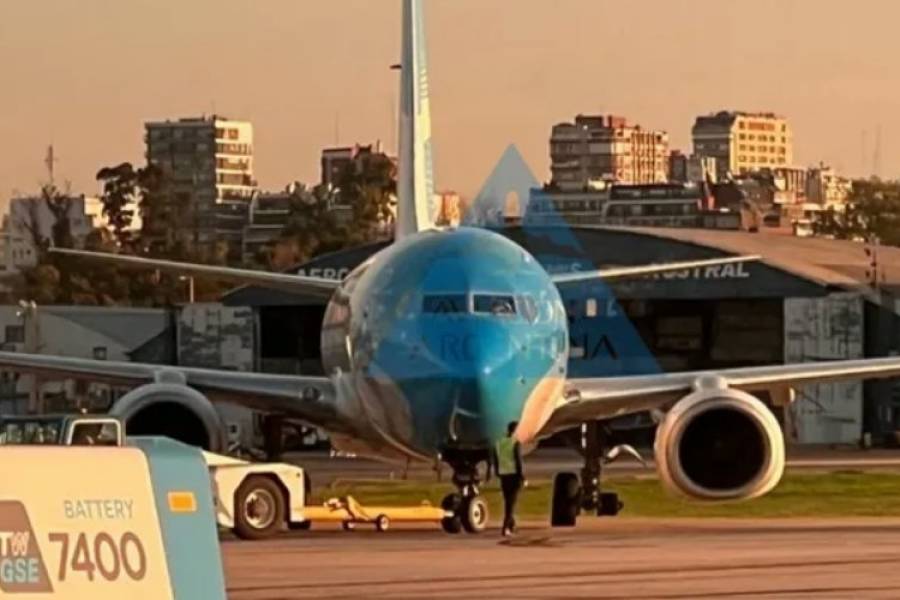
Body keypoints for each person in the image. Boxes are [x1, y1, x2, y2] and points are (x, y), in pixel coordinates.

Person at [493, 421, 525, 537]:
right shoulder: (515, 443)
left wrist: (497, 471)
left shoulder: (500, 443)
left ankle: (511, 526)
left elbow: (495, 459)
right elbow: (518, 460)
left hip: (503, 475)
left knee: (508, 501)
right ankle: (505, 527)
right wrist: (522, 476)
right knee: (511, 504)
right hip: (514, 475)